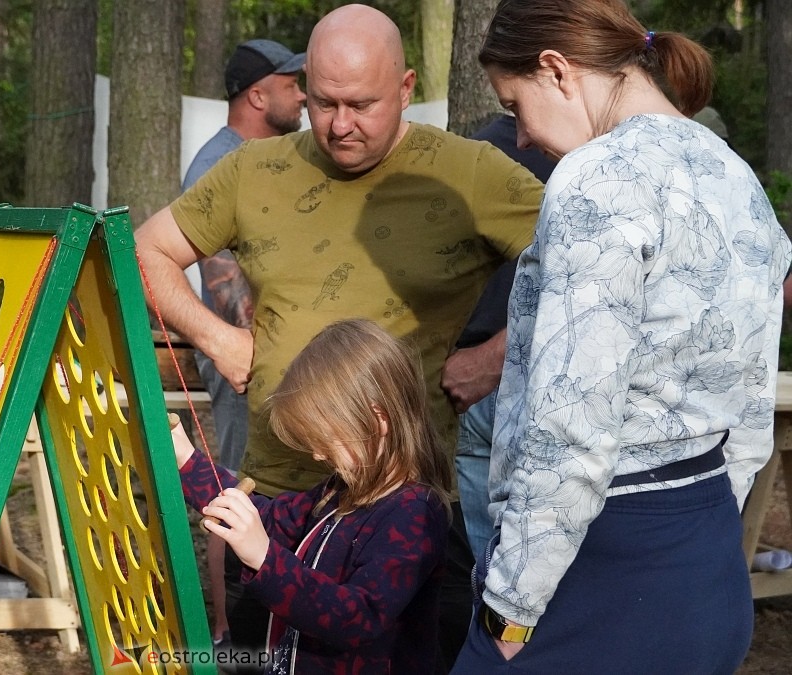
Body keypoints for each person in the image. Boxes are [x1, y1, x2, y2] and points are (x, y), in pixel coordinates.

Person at [135, 4, 542, 667]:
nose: (340, 124)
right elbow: (145, 251)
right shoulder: (253, 169)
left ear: (405, 88)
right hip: (275, 499)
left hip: (399, 509)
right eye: (324, 103)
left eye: (361, 104)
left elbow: (582, 269)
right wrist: (218, 338)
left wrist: (494, 358)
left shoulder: (469, 173)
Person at [453, 1, 792, 672]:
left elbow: (572, 427)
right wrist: (705, 534)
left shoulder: (597, 179)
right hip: (707, 565)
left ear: (557, 70)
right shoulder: (732, 173)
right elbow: (750, 402)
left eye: (515, 107)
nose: (522, 137)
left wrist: (510, 609)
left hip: (597, 561)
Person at [170, 318, 451, 673]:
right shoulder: (340, 490)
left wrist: (265, 559)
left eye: (324, 438)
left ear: (378, 420)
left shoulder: (415, 515)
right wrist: (186, 459)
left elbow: (357, 617)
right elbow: (267, 519)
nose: (317, 455)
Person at [181, 38, 307, 650]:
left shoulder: (279, 157)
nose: (303, 96)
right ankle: (227, 632)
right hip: (244, 361)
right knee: (234, 489)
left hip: (288, 358)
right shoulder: (219, 163)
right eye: (292, 84)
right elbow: (223, 282)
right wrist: (252, 349)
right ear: (258, 95)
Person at [442, 114, 556, 562]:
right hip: (484, 385)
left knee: (499, 566)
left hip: (494, 376)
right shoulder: (599, 165)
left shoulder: (476, 153)